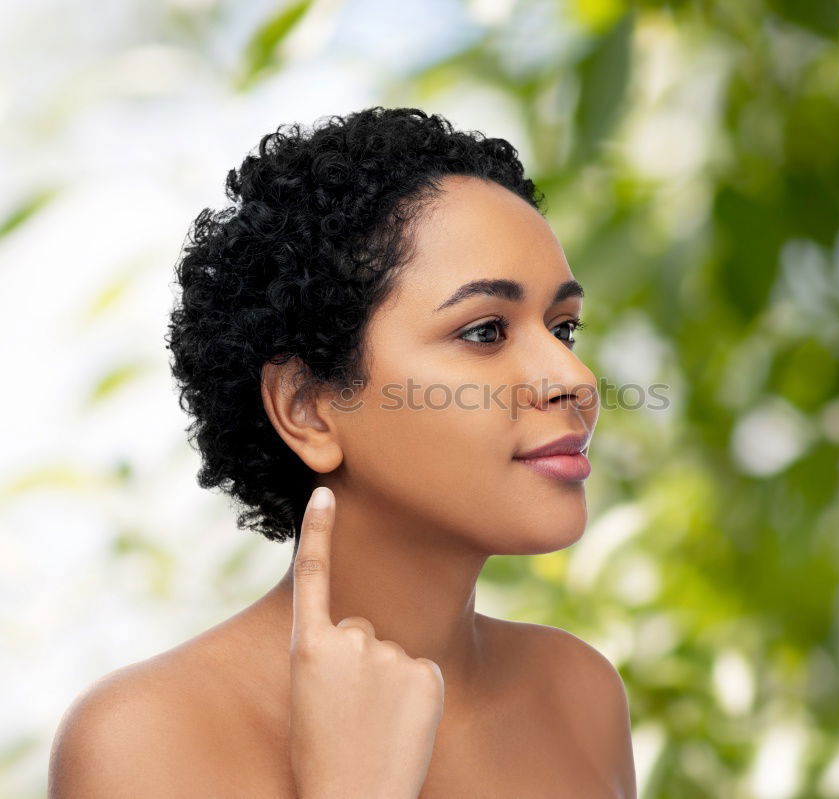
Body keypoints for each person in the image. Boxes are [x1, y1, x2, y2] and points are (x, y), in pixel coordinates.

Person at [47, 105, 637, 798]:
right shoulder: (144, 741)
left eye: (563, 329)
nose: (574, 381)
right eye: (484, 332)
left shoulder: (576, 693)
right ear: (308, 407)